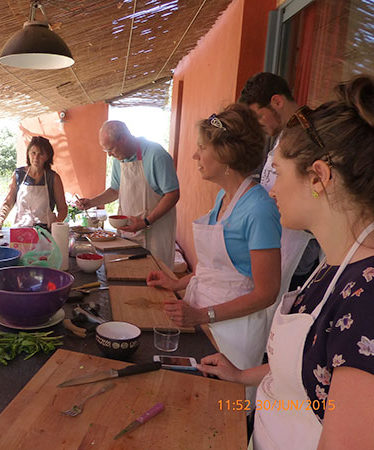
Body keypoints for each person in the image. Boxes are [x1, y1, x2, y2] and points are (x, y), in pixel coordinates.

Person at [199, 75, 374, 449]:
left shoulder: (366, 299)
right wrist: (242, 375)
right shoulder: (333, 266)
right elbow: (311, 369)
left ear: (319, 177)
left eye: (277, 172)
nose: (271, 187)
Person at [146, 103, 281, 379]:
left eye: (202, 147)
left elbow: (267, 293)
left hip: (234, 333)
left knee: (223, 407)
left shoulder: (259, 209)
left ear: (226, 153)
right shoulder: (224, 197)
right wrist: (176, 282)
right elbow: (217, 269)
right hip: (204, 318)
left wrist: (201, 316)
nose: (196, 155)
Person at [240, 72, 320, 301]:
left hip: (300, 253)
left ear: (277, 101)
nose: (258, 124)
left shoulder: (310, 137)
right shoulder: (282, 136)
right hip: (276, 242)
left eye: (259, 116)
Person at [76, 121, 180, 268]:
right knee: (131, 272)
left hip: (156, 233)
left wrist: (146, 222)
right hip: (130, 233)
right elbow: (115, 190)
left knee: (157, 277)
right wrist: (91, 202)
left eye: (110, 149)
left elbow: (173, 194)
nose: (110, 155)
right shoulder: (120, 159)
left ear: (123, 139)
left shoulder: (156, 154)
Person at [0, 136, 67, 230]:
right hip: (21, 229)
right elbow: (8, 202)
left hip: (46, 231)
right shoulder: (19, 175)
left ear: (47, 156)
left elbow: (62, 208)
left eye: (41, 154)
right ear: (28, 154)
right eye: (33, 153)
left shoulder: (53, 178)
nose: (36, 158)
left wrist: (56, 224)